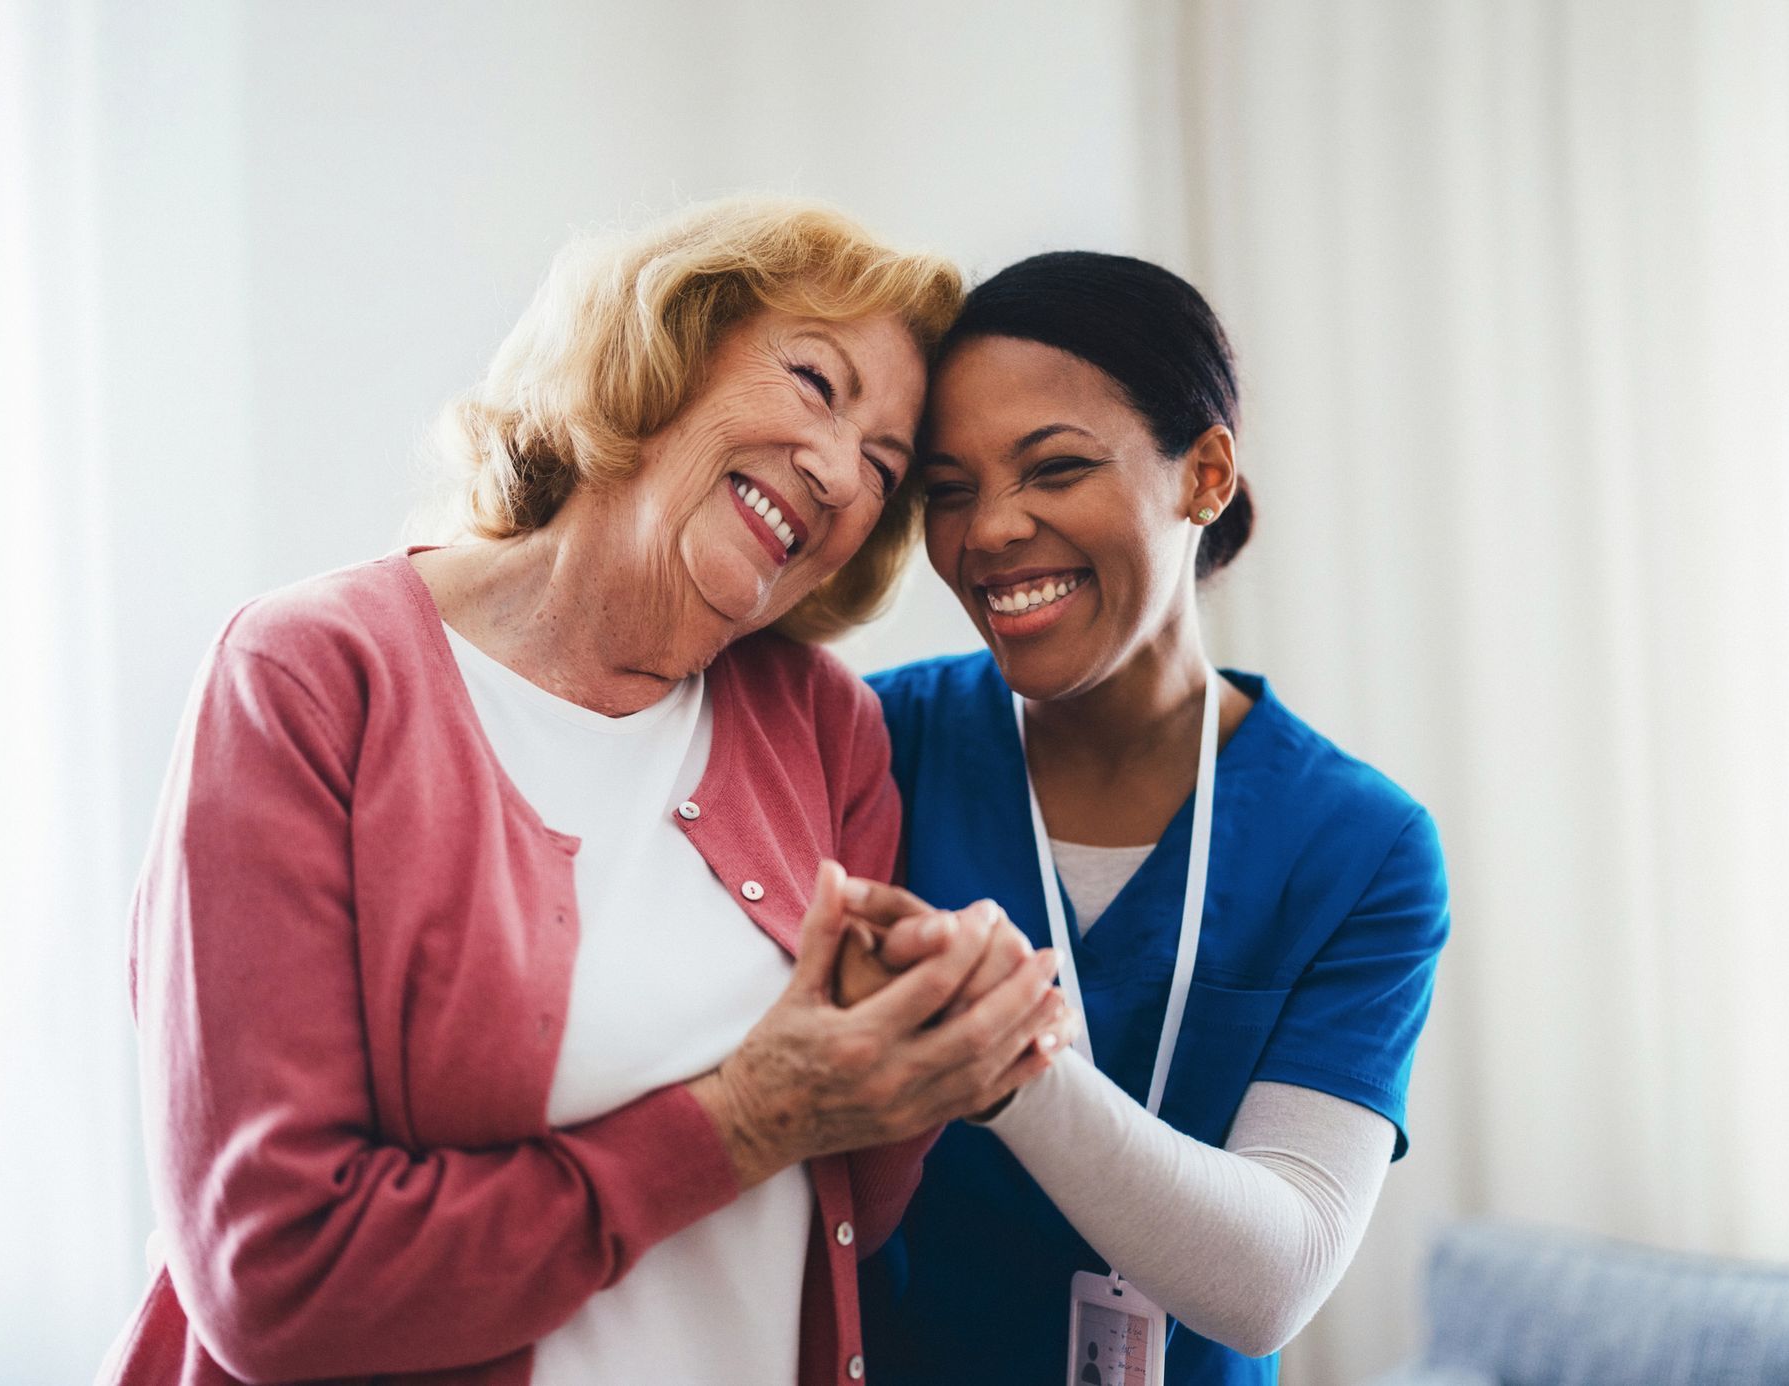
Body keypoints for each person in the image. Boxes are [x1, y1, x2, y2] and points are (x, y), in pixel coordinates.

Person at [100, 199, 1074, 1386]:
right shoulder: (310, 675)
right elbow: (279, 1278)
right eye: (816, 383)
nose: (835, 473)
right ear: (665, 351)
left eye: (882, 467)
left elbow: (853, 1202)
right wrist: (748, 1115)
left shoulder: (825, 727)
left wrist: (926, 1047)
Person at [850, 252, 1452, 1384]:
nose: (989, 532)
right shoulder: (872, 749)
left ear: (1205, 473)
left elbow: (1272, 1280)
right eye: (948, 487)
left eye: (1056, 467)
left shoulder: (1360, 847)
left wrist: (1006, 1060)